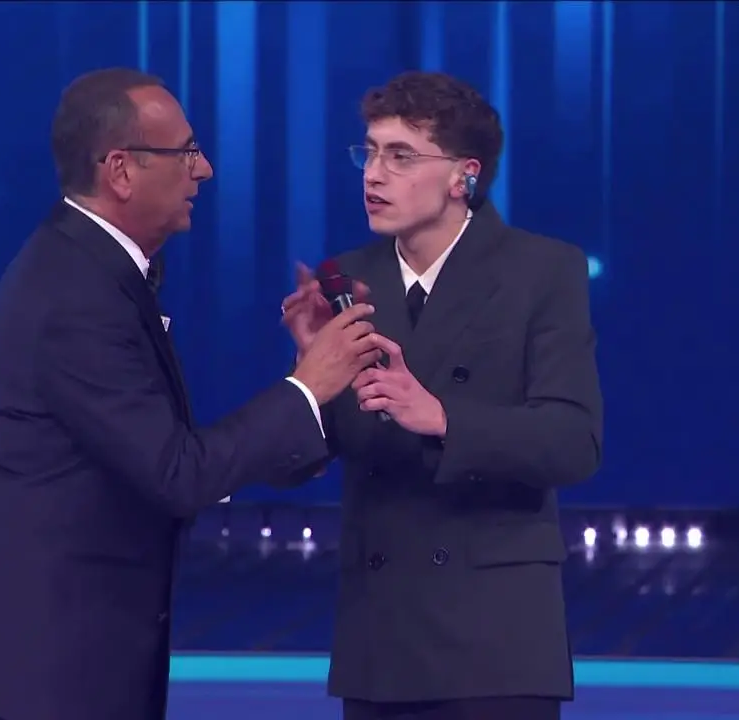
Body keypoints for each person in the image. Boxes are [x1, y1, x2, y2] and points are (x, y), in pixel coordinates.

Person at [0, 67, 383, 720]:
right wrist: (307, 384)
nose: (205, 170)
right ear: (120, 170)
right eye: (186, 152)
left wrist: (311, 381)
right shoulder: (74, 294)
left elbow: (171, 457)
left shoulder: (96, 270)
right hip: (55, 664)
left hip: (78, 652)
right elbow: (177, 473)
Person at [279, 71, 604, 720]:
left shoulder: (542, 271)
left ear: (464, 176)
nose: (374, 175)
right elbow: (301, 462)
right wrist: (310, 372)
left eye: (401, 156)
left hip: (495, 642)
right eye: (369, 152)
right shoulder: (348, 279)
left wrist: (442, 418)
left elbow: (574, 442)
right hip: (379, 640)